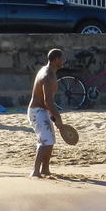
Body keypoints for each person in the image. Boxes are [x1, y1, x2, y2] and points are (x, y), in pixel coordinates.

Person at [28, 48, 66, 178]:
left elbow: (48, 103)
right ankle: (35, 171)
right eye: (62, 59)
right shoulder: (48, 75)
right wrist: (58, 117)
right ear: (56, 60)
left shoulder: (49, 71)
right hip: (37, 111)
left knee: (50, 140)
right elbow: (48, 102)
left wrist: (53, 117)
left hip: (43, 110)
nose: (64, 61)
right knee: (45, 140)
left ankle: (45, 169)